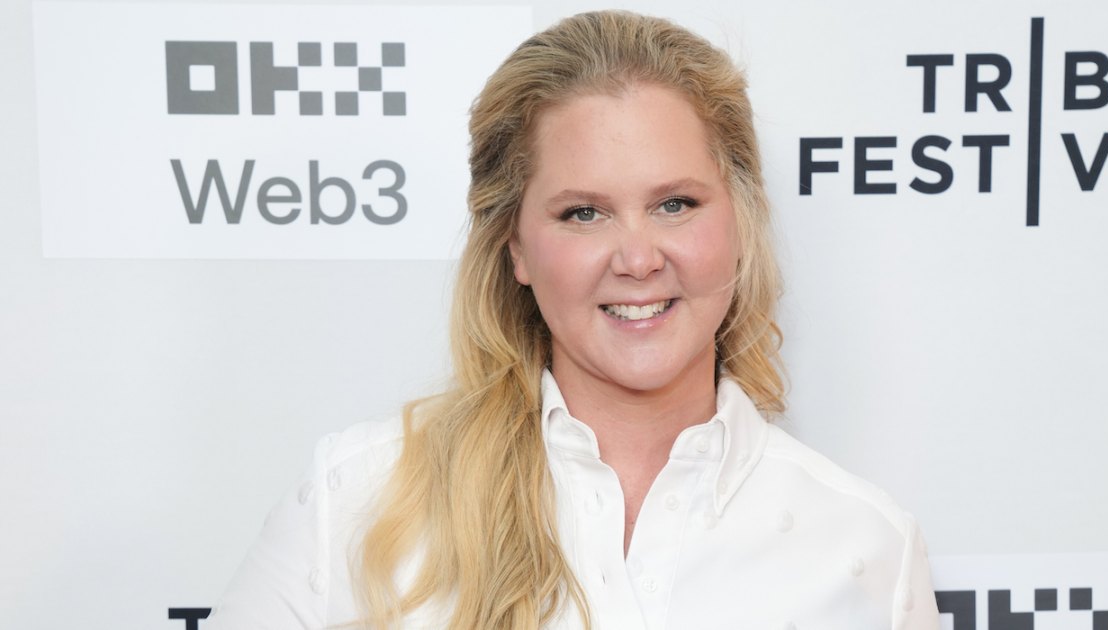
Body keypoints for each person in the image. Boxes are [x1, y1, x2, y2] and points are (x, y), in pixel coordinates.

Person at [208, 10, 938, 630]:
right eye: (584, 213)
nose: (638, 259)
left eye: (675, 204)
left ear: (741, 222)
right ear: (516, 248)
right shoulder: (358, 500)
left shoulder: (867, 549)